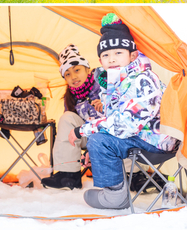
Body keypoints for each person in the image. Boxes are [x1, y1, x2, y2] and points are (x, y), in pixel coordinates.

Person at [68, 13, 178, 209]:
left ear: (132, 55)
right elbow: (117, 122)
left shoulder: (142, 79)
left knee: (98, 139)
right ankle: (114, 191)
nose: (112, 59)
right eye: (106, 55)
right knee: (99, 141)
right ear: (100, 60)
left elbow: (126, 124)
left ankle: (115, 196)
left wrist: (83, 130)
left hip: (157, 140)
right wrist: (96, 150)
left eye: (118, 53)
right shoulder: (118, 82)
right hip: (143, 135)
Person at [40, 44, 105, 190]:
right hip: (85, 135)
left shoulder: (103, 83)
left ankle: (135, 175)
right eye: (68, 74)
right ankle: (68, 176)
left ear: (87, 69)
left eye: (77, 70)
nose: (73, 77)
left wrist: (105, 103)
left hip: (108, 134)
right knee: (67, 117)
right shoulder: (70, 97)